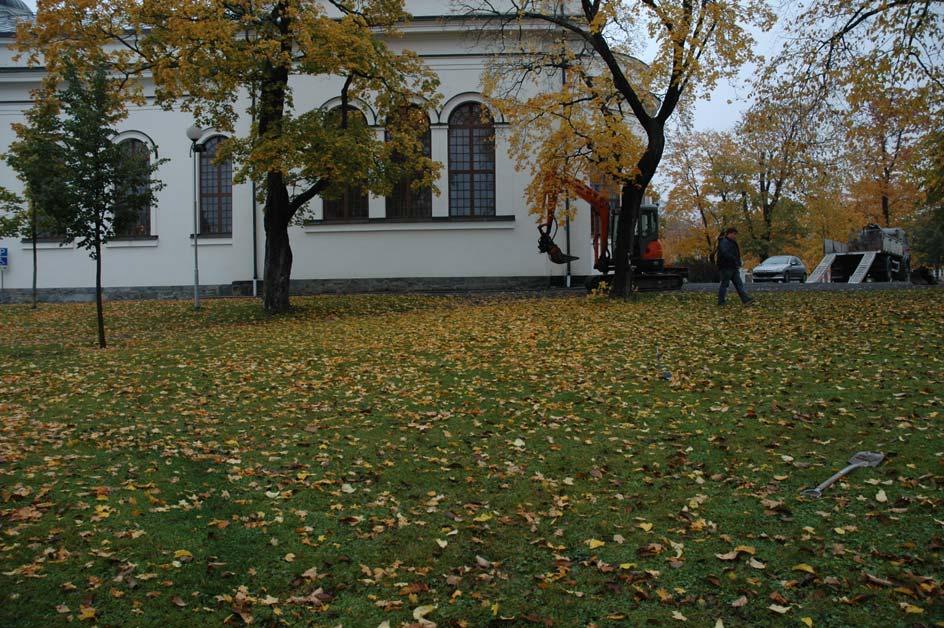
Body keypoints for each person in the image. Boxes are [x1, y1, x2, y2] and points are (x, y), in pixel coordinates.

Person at [716, 228, 754, 306]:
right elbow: (725, 253)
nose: (735, 236)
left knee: (739, 283)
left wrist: (737, 261)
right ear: (730, 233)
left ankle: (746, 299)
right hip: (726, 266)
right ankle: (721, 301)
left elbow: (735, 253)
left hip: (733, 266)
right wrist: (734, 259)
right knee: (725, 284)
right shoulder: (724, 242)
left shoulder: (731, 242)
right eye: (734, 234)